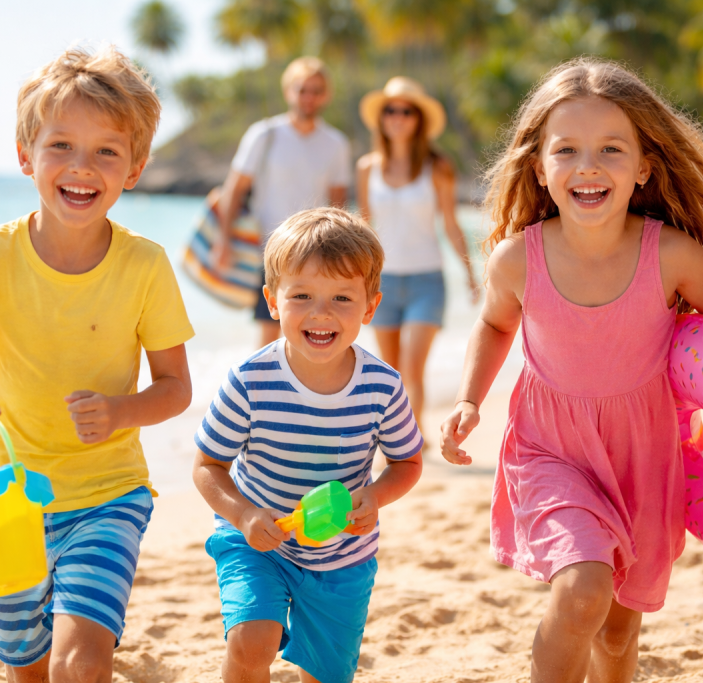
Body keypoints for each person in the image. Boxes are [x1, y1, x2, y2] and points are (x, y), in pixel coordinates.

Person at [439, 58, 703, 683]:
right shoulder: (519, 260)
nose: (588, 165)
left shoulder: (672, 256)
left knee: (620, 638)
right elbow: (492, 326)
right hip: (551, 451)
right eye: (566, 150)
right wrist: (468, 401)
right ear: (539, 169)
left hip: (642, 458)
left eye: (610, 149)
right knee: (582, 590)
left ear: (644, 166)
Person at [0, 47, 195, 682]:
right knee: (27, 668)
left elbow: (175, 388)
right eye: (61, 146)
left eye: (108, 150)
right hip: (5, 501)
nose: (82, 168)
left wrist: (119, 412)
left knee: (79, 664)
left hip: (110, 494)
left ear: (134, 168)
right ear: (26, 155)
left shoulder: (145, 267)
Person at [193, 208, 424, 683]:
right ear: (272, 302)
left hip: (343, 556)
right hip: (258, 540)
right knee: (250, 643)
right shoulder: (250, 382)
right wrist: (243, 515)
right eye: (302, 296)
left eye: (342, 297)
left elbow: (407, 462)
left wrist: (376, 496)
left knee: (325, 673)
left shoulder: (382, 387)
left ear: (371, 307)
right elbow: (207, 464)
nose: (321, 313)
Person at [356, 76, 479, 431]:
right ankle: (394, 436)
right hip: (382, 282)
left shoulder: (437, 168)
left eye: (406, 111)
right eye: (390, 110)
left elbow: (452, 225)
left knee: (412, 366)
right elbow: (363, 228)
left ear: (418, 119)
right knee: (388, 371)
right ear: (381, 118)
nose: (397, 117)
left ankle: (415, 432)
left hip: (428, 280)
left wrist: (471, 274)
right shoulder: (367, 168)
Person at [212, 56, 352, 348]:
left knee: (312, 332)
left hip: (315, 250)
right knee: (268, 334)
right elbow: (234, 190)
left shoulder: (336, 143)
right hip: (269, 249)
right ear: (289, 91)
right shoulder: (264, 134)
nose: (309, 97)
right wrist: (223, 241)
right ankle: (260, 391)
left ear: (325, 95)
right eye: (302, 89)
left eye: (316, 90)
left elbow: (338, 206)